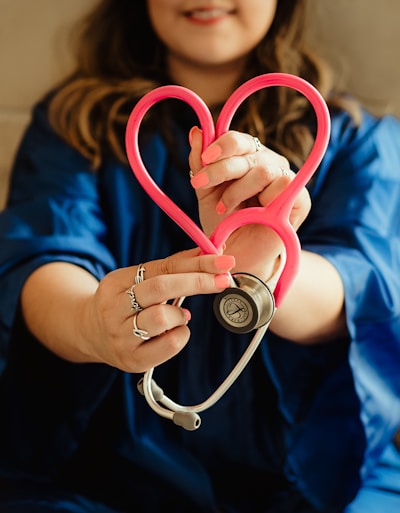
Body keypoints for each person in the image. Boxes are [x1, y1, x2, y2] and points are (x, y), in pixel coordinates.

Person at [0, 0, 400, 511]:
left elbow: (360, 285)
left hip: (318, 476)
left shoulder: (357, 138)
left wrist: (262, 269)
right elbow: (40, 257)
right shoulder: (70, 126)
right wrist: (91, 325)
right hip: (98, 474)